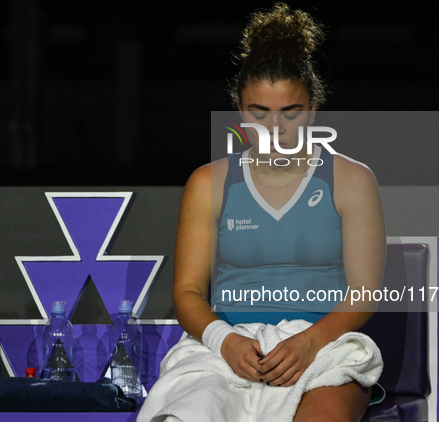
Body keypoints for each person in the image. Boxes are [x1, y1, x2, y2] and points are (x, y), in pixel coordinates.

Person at [143, 3, 386, 421]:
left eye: (290, 113)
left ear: (311, 108)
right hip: (227, 348)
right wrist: (225, 341)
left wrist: (309, 342)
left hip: (323, 348)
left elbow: (365, 292)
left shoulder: (352, 179)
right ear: (239, 109)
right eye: (259, 113)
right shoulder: (208, 183)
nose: (274, 129)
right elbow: (186, 293)